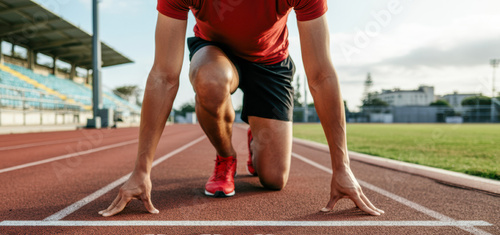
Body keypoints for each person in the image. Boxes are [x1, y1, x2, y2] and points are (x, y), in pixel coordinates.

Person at [99, 0, 384, 217]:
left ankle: (256, 136)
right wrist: (141, 170)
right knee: (211, 80)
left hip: (271, 63)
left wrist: (342, 167)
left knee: (273, 179)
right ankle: (226, 156)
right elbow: (163, 75)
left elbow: (321, 75)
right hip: (214, 52)